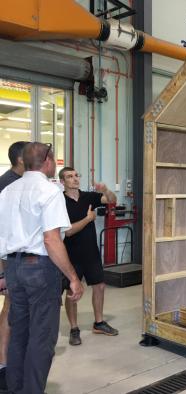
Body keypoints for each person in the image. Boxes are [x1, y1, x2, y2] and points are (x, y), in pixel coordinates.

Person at [0, 142, 84, 394]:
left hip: (14, 268)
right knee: (42, 338)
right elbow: (52, 240)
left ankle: (15, 388)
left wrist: (4, 271)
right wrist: (73, 278)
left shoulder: (7, 191)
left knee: (19, 333)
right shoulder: (49, 192)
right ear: (47, 161)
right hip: (39, 269)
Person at [59, 166, 118, 346]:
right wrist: (88, 219)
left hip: (91, 252)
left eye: (77, 175)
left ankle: (99, 322)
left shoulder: (89, 197)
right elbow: (67, 232)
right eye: (70, 176)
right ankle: (74, 329)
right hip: (70, 255)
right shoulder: (59, 201)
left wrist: (105, 190)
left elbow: (111, 200)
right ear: (63, 182)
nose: (75, 179)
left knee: (99, 286)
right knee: (72, 292)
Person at [0, 141, 28, 390]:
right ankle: (4, 364)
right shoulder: (8, 184)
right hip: (9, 260)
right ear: (21, 159)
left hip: (14, 260)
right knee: (9, 310)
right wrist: (3, 272)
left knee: (13, 310)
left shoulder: (19, 182)